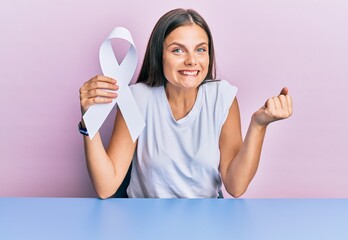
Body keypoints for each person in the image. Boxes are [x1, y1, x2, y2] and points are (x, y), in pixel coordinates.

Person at [79, 8, 293, 199]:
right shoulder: (137, 99)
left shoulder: (222, 97)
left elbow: (235, 187)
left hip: (205, 219)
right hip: (145, 220)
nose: (192, 60)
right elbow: (106, 187)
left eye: (200, 49)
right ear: (159, 55)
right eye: (178, 50)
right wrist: (90, 120)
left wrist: (258, 125)